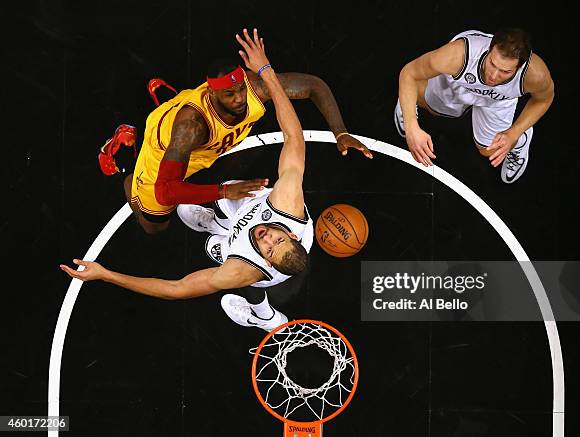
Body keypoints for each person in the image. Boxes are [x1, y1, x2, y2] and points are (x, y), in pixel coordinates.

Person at [62, 29, 314, 332]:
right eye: (279, 238)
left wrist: (107, 275)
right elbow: (294, 137)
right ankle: (218, 222)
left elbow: (177, 288)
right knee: (233, 191)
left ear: (267, 262)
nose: (267, 238)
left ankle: (262, 315)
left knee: (178, 234)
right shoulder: (288, 201)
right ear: (294, 235)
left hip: (245, 248)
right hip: (252, 201)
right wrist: (264, 69)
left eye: (269, 249)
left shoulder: (241, 270)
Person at [99, 36, 372, 235]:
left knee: (199, 148)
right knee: (154, 226)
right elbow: (165, 190)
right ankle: (126, 160)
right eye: (229, 94)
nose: (240, 99)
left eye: (240, 89)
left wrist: (341, 132)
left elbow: (313, 86)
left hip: (194, 143)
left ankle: (168, 104)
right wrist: (224, 191)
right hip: (163, 153)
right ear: (211, 92)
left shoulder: (253, 89)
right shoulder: (191, 127)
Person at [395, 28, 554, 183]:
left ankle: (522, 139)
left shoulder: (535, 75)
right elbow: (409, 73)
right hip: (461, 82)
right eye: (492, 63)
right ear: (489, 49)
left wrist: (514, 132)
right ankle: (406, 105)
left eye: (505, 71)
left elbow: (544, 99)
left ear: (519, 68)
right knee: (426, 103)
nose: (493, 75)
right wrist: (412, 128)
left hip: (497, 100)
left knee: (489, 150)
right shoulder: (457, 56)